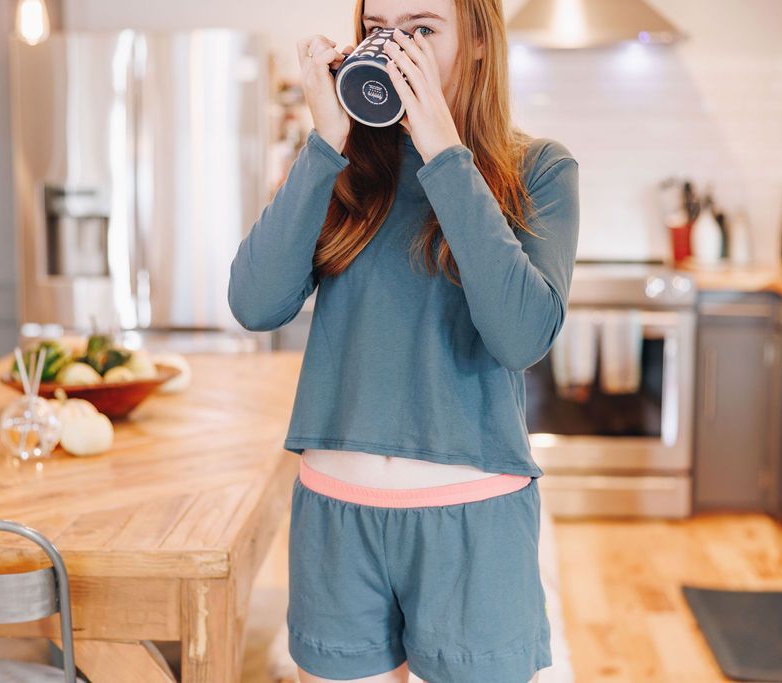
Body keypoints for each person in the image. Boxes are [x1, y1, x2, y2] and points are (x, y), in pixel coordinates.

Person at [228, 0, 579, 680]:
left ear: (478, 41)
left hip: (474, 525)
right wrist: (323, 143)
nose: (395, 50)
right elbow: (254, 303)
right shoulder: (342, 165)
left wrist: (445, 153)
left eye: (422, 29)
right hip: (335, 520)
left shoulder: (538, 168)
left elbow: (521, 338)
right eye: (378, 30)